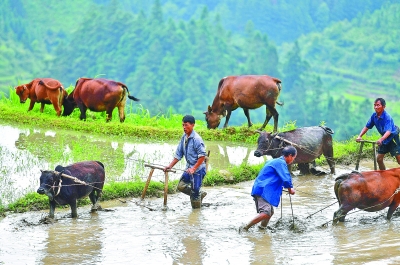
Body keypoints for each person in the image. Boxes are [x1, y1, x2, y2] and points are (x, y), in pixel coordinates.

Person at [239, 145, 297, 232]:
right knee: (266, 213)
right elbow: (286, 178)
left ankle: (262, 228)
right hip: (263, 190)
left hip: (262, 188)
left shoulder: (274, 161)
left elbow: (272, 177)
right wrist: (290, 190)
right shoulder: (281, 163)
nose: (293, 160)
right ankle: (245, 228)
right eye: (294, 158)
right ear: (290, 156)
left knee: (270, 212)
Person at [164, 115, 207, 209]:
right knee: (181, 186)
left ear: (193, 125)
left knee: (195, 196)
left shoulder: (197, 139)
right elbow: (179, 154)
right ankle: (200, 194)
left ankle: (195, 216)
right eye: (183, 125)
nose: (184, 127)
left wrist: (194, 168)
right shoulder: (184, 137)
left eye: (186, 125)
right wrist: (170, 166)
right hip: (189, 168)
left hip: (198, 170)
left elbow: (202, 156)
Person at [356, 98, 400, 170]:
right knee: (379, 159)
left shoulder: (387, 117)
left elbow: (388, 131)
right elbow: (367, 127)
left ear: (383, 106)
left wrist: (381, 139)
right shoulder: (374, 116)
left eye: (378, 105)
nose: (376, 107)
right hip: (384, 139)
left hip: (393, 138)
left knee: (399, 160)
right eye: (375, 105)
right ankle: (383, 176)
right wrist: (359, 136)